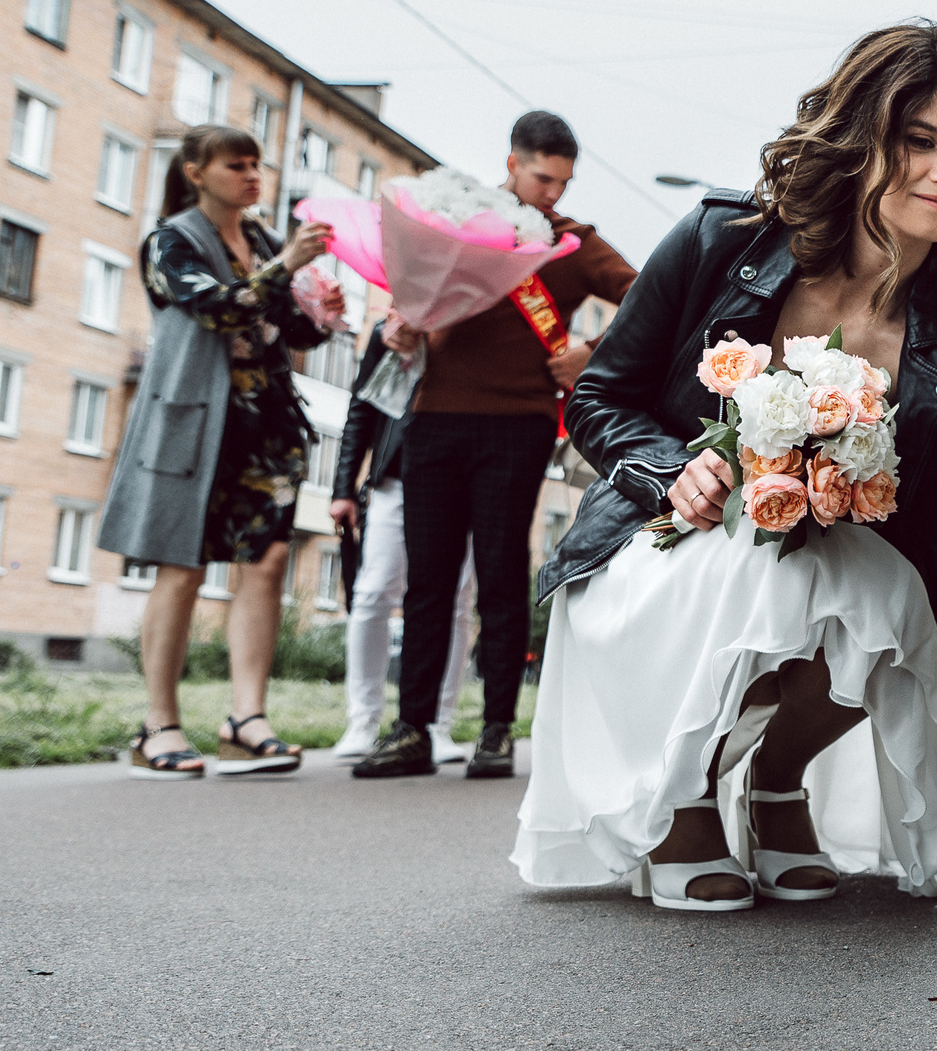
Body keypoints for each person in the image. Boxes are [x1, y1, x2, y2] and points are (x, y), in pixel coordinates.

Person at [512, 21, 937, 911]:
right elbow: (598, 398)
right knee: (758, 568)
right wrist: (673, 471)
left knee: (892, 600)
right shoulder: (718, 240)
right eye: (920, 142)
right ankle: (683, 800)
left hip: (819, 571)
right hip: (658, 560)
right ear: (862, 139)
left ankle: (775, 782)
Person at [355, 111, 637, 781]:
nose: (552, 195)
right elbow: (414, 303)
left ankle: (496, 732)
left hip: (518, 423)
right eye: (542, 177)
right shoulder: (449, 228)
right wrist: (402, 329)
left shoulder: (569, 243)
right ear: (511, 163)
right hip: (433, 419)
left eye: (563, 183)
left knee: (503, 578)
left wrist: (590, 353)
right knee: (427, 583)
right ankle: (412, 729)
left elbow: (650, 293)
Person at [98, 125, 343, 778]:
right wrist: (286, 267)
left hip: (264, 426)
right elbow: (219, 306)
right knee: (180, 565)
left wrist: (318, 315)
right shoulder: (170, 240)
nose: (252, 175)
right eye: (237, 165)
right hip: (195, 424)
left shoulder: (262, 240)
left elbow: (286, 329)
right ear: (196, 171)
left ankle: (245, 718)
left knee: (263, 564)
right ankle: (158, 725)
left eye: (258, 164)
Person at [324, 324, 479, 763]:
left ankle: (436, 726)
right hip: (394, 477)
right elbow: (362, 408)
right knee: (372, 594)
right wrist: (343, 488)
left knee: (454, 601)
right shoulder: (388, 330)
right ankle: (363, 722)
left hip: (460, 478)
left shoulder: (479, 324)